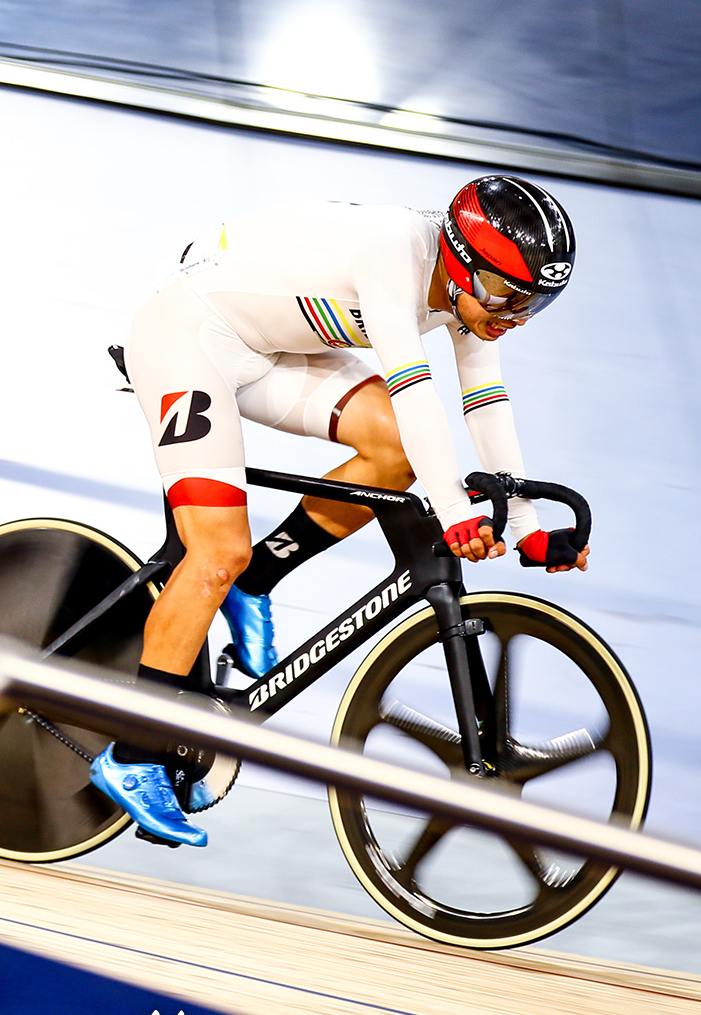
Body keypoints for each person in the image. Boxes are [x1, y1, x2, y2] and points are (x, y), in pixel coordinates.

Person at [90, 175, 592, 847]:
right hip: (190, 332)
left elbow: (486, 401)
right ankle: (134, 753)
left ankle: (257, 580)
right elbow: (413, 390)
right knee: (216, 550)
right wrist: (454, 513)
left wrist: (528, 528)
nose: (514, 316)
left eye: (535, 303)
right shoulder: (396, 250)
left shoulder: (477, 292)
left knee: (390, 451)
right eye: (508, 295)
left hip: (270, 347)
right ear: (463, 262)